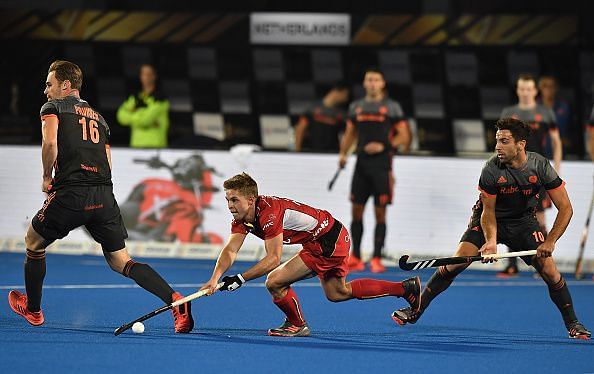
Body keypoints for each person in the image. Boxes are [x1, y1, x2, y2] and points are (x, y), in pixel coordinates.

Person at [8, 60, 193, 333]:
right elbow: (107, 161)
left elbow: (49, 143)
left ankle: (33, 310)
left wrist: (47, 177)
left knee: (33, 242)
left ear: (65, 85)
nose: (45, 91)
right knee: (121, 261)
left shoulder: (53, 108)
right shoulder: (100, 118)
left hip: (71, 193)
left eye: (49, 84)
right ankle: (176, 300)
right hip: (104, 194)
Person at [392, 118, 591, 340]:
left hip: (523, 222)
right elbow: (488, 212)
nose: (498, 146)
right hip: (487, 219)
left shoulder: (540, 166)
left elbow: (566, 208)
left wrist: (550, 241)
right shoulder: (491, 169)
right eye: (497, 140)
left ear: (520, 144)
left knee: (550, 272)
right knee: (456, 263)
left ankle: (573, 324)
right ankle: (417, 309)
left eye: (504, 141)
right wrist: (490, 241)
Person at [200, 172, 421, 337]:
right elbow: (230, 249)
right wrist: (214, 278)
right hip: (331, 236)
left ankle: (296, 325)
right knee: (337, 293)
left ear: (251, 199)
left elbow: (273, 258)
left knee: (275, 281)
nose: (229, 205)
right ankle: (405, 288)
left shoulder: (269, 214)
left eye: (234, 200)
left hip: (326, 243)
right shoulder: (243, 218)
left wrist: (240, 279)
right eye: (227, 199)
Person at [338, 67, 410, 273]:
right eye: (369, 79)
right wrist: (343, 154)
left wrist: (384, 146)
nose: (372, 83)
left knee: (380, 213)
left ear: (382, 83)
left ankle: (377, 257)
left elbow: (404, 136)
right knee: (356, 212)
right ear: (364, 83)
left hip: (381, 166)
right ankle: (357, 256)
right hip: (361, 165)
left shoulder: (392, 107)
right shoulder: (356, 107)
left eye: (376, 80)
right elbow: (350, 133)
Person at [497, 74, 562, 277]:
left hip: (538, 173)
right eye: (521, 88)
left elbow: (557, 141)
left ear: (535, 91)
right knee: (511, 215)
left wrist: (556, 167)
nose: (525, 92)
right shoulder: (509, 113)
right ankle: (511, 265)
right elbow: (501, 142)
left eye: (528, 89)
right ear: (518, 90)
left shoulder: (545, 112)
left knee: (540, 218)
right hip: (511, 173)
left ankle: (543, 263)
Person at [117, 63, 169, 148]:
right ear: (140, 76)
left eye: (149, 74)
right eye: (143, 74)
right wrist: (142, 115)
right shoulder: (134, 98)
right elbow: (120, 116)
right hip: (136, 146)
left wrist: (133, 113)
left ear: (154, 76)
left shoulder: (161, 100)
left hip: (156, 148)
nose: (146, 77)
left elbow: (145, 121)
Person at [293, 84, 349, 152]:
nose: (346, 98)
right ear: (336, 91)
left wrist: (343, 152)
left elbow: (347, 134)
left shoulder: (342, 114)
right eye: (345, 94)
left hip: (332, 153)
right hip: (312, 152)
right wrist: (297, 151)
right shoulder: (312, 109)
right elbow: (300, 130)